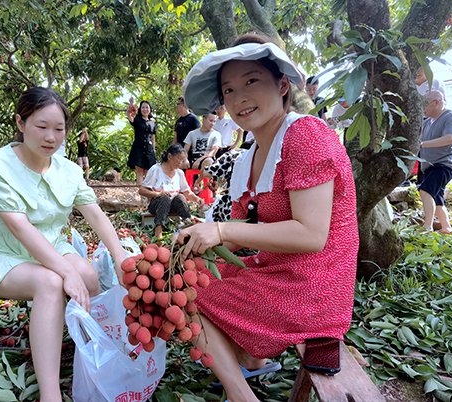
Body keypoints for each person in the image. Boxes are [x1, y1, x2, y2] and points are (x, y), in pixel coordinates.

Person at [177, 34, 358, 402]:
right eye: (228, 90)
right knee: (179, 280)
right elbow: (244, 233)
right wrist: (195, 240)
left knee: (186, 297)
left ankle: (241, 393)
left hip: (313, 286)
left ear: (282, 85)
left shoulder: (306, 136)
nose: (239, 97)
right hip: (275, 271)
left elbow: (311, 235)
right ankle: (251, 358)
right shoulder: (251, 155)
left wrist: (220, 229)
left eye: (251, 81)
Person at [0, 87, 127, 402]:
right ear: (20, 123)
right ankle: (50, 396)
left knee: (89, 277)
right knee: (51, 282)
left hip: (53, 245)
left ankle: (98, 362)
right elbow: (21, 230)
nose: (51, 137)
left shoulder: (69, 171)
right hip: (2, 253)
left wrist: (120, 258)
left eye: (59, 129)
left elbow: (95, 215)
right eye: (41, 126)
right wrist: (65, 271)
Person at [418, 90, 452, 234]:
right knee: (436, 197)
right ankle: (446, 228)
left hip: (445, 163)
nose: (423, 107)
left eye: (425, 104)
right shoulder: (427, 122)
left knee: (425, 191)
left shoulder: (451, 117)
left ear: (437, 102)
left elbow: (449, 138)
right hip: (430, 165)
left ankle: (427, 227)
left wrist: (422, 144)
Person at [139, 144, 205, 239]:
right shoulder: (155, 170)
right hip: (156, 205)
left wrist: (197, 199)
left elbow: (187, 192)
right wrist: (158, 194)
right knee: (165, 198)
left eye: (182, 160)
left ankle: (189, 224)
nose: (180, 162)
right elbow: (142, 190)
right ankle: (158, 231)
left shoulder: (179, 173)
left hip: (171, 206)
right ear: (169, 156)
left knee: (180, 197)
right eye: (178, 159)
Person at [127, 99, 157, 185]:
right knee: (139, 173)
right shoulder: (136, 119)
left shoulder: (153, 123)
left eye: (146, 107)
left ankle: (147, 196)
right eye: (143, 107)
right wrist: (131, 104)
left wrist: (153, 151)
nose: (145, 109)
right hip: (138, 149)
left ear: (150, 109)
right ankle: (140, 196)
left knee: (148, 174)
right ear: (140, 109)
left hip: (149, 151)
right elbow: (129, 115)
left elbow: (153, 138)